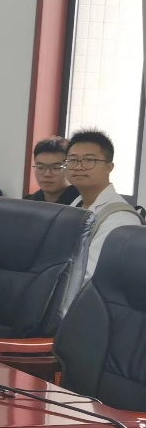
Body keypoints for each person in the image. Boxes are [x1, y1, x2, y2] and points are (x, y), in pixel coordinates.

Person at [63, 129, 144, 309]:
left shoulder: (119, 218)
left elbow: (88, 278)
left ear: (109, 167)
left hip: (87, 311)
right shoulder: (75, 205)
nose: (79, 166)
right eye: (73, 160)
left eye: (89, 160)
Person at [25, 137, 79, 204]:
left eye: (56, 168)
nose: (47, 174)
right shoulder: (27, 203)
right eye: (40, 167)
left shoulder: (83, 204)